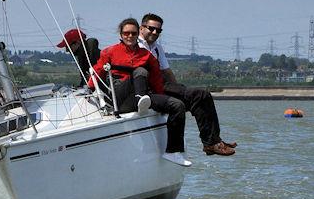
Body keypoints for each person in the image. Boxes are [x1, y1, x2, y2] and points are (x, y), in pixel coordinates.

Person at [88, 18, 191, 166]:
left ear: (138, 34)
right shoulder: (109, 52)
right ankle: (140, 100)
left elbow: (156, 81)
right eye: (126, 33)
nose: (129, 36)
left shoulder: (146, 55)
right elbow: (97, 72)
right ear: (121, 34)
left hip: (143, 97)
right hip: (120, 98)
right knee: (141, 71)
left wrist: (163, 102)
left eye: (133, 33)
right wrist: (89, 89)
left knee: (177, 105)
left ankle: (173, 152)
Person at [138, 13, 236, 157]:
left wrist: (180, 90)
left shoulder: (157, 48)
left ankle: (214, 141)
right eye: (151, 28)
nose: (155, 32)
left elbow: (167, 71)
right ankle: (211, 143)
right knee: (199, 95)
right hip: (151, 88)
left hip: (163, 85)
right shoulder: (137, 46)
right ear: (141, 28)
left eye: (158, 30)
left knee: (202, 96)